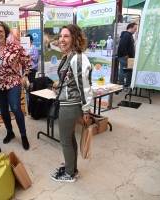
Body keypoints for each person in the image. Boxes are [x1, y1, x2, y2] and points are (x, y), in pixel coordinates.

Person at [50, 24, 93, 183]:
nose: (62, 39)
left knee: (65, 140)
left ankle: (69, 173)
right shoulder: (70, 56)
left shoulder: (78, 58)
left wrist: (86, 109)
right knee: (70, 139)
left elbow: (85, 86)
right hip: (68, 102)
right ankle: (71, 168)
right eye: (61, 36)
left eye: (66, 36)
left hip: (71, 104)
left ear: (75, 38)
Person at [0, 21, 32, 150]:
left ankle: (23, 135)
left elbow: (28, 61)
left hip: (13, 83)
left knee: (16, 108)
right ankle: (10, 132)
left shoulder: (15, 48)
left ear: (5, 32)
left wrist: (25, 75)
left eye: (1, 31)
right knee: (3, 110)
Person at [117, 23, 137, 87]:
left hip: (129, 57)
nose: (135, 30)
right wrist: (125, 54)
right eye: (135, 29)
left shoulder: (129, 35)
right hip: (124, 57)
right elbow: (122, 45)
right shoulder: (126, 35)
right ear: (130, 28)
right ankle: (122, 84)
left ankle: (127, 84)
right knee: (123, 70)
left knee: (129, 70)